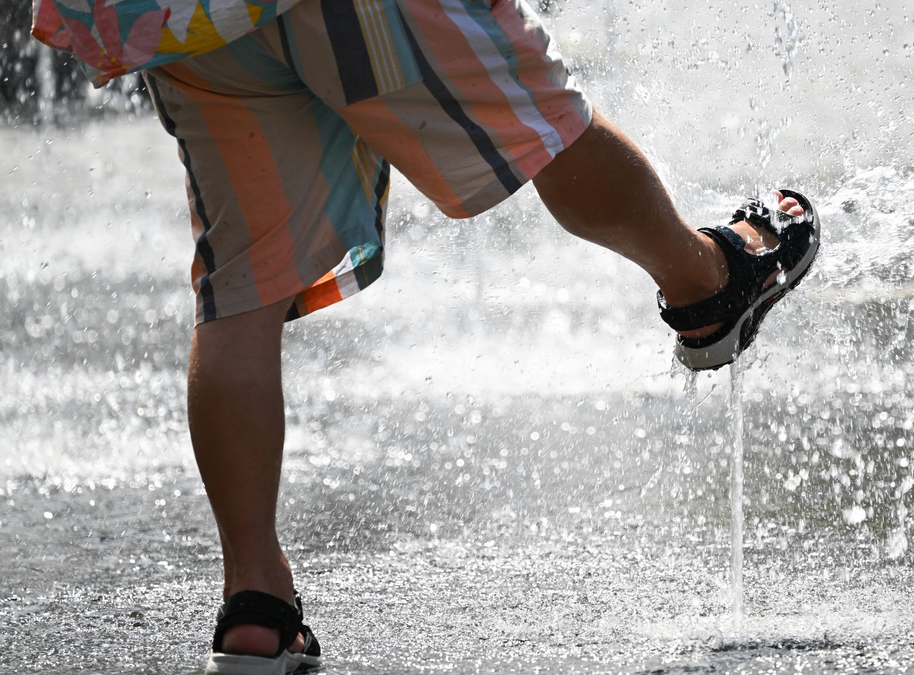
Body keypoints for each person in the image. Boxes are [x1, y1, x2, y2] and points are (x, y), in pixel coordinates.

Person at [33, 0, 820, 672]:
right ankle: (706, 283)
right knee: (542, 122)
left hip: (193, 20)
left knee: (238, 288)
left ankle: (255, 604)